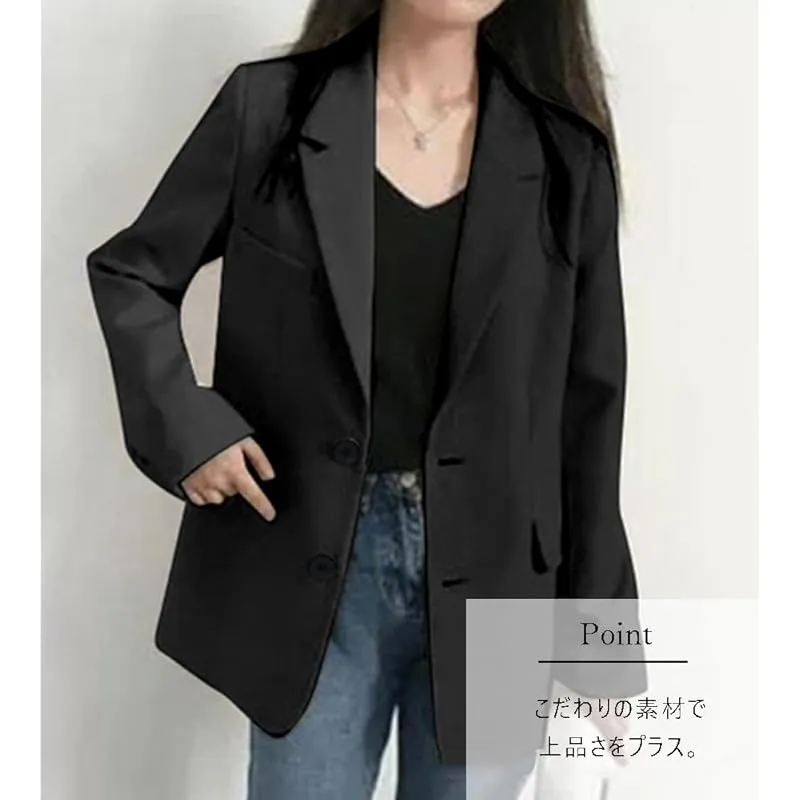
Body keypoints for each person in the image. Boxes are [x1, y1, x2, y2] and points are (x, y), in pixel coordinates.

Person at [86, 1, 647, 797]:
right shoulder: (270, 111)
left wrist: (603, 653)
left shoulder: (564, 158)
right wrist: (188, 425)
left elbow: (588, 417)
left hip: (500, 583)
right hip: (311, 560)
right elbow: (133, 273)